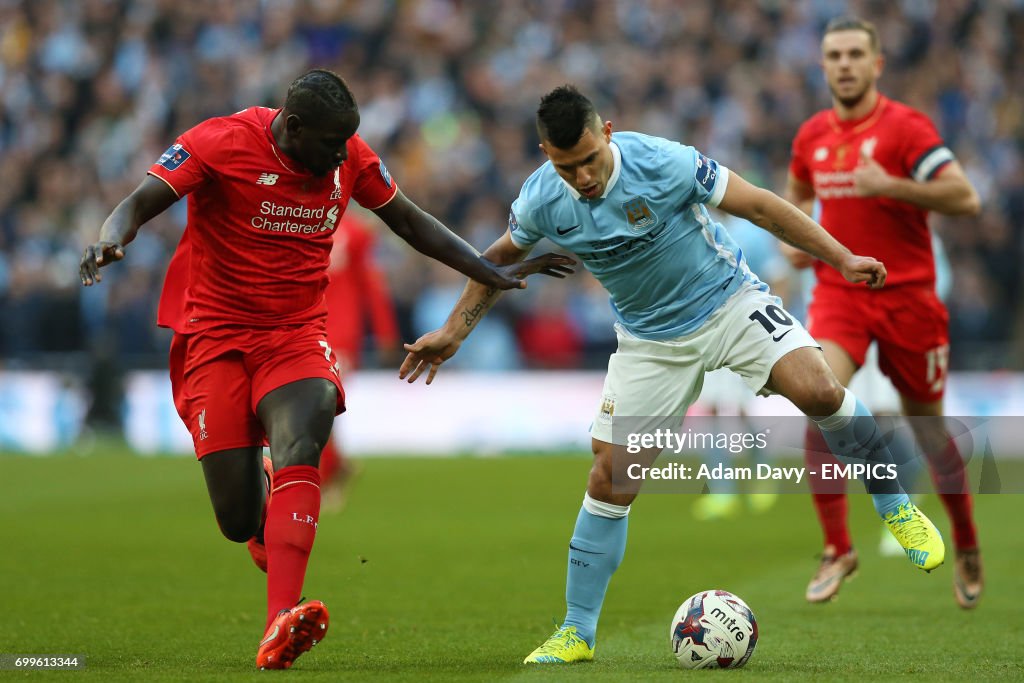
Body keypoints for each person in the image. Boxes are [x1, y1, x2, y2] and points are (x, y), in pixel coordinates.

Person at [400, 85, 946, 664]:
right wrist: (456, 329)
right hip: (649, 341)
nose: (582, 176)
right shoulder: (540, 199)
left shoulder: (662, 161)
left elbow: (758, 205)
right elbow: (498, 258)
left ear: (607, 132)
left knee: (820, 390)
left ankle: (896, 508)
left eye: (589, 159)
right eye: (567, 166)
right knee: (609, 480)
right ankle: (577, 633)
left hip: (729, 300)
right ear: (545, 154)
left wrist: (841, 257)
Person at [78, 68, 573, 670]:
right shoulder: (220, 142)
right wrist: (111, 236)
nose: (342, 155)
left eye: (347, 143)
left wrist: (488, 270)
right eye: (330, 144)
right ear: (291, 127)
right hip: (215, 337)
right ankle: (263, 509)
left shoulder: (350, 156)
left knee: (305, 428)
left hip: (296, 333)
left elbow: (411, 222)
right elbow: (139, 200)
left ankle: (278, 622)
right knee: (237, 522)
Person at [783, 17, 982, 608]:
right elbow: (795, 194)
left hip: (909, 299)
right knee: (818, 399)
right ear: (823, 66)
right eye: (833, 55)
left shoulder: (905, 129)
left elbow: (965, 197)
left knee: (929, 428)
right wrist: (797, 241)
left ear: (877, 64)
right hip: (840, 295)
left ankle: (967, 545)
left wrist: (892, 185)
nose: (843, 64)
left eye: (854, 54)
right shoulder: (811, 137)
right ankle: (838, 548)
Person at [320, 213, 400, 511]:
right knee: (317, 407)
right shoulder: (298, 217)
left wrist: (385, 331)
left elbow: (369, 282)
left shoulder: (356, 231)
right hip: (304, 326)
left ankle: (329, 477)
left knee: (321, 405)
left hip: (340, 332)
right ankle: (337, 467)